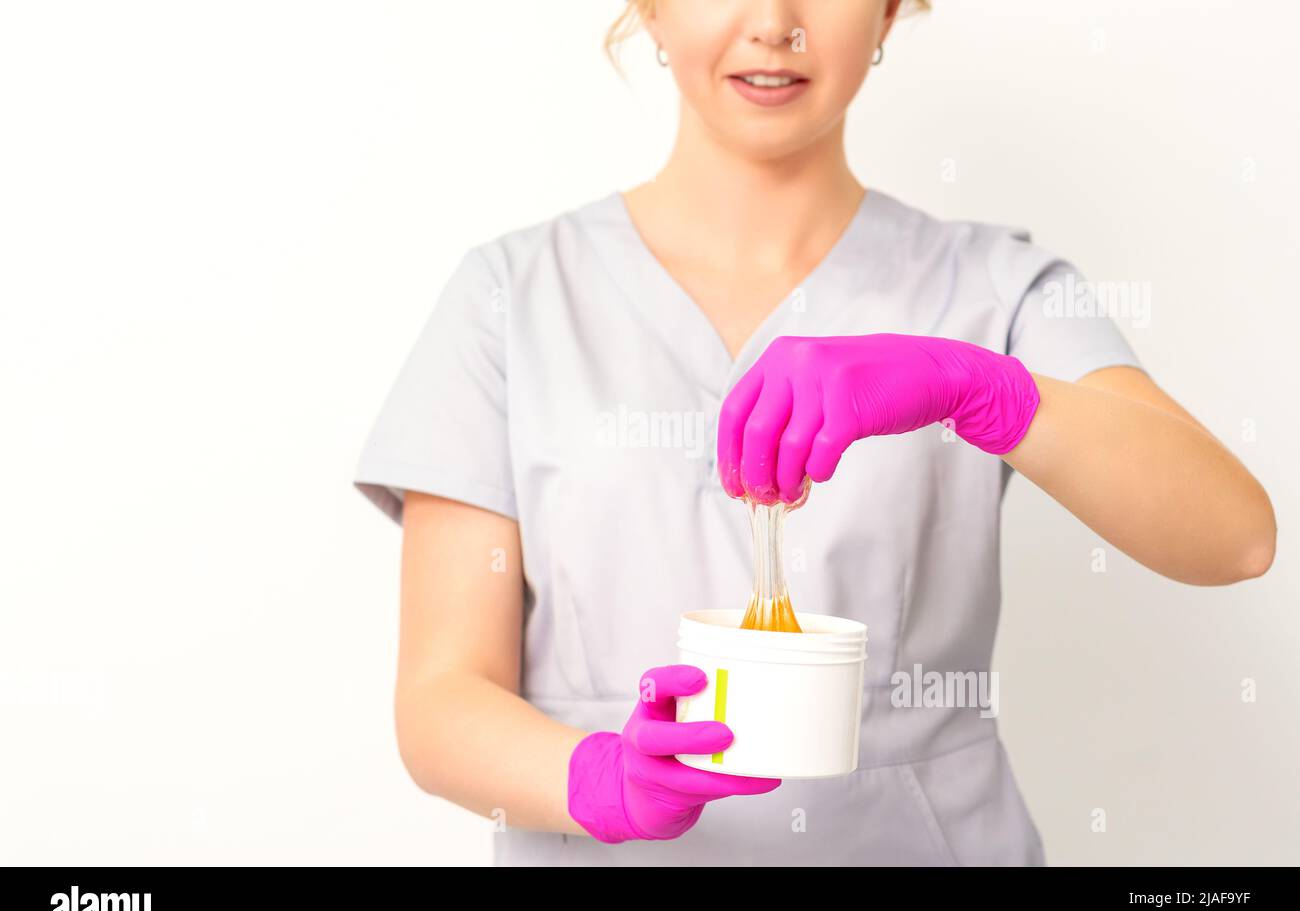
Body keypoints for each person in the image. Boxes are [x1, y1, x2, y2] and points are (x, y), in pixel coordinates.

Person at [353, 0, 1275, 865]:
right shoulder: (510, 299)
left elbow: (1233, 536)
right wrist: (597, 780)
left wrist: (981, 389)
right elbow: (441, 701)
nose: (774, 24)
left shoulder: (997, 287)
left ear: (886, 8)